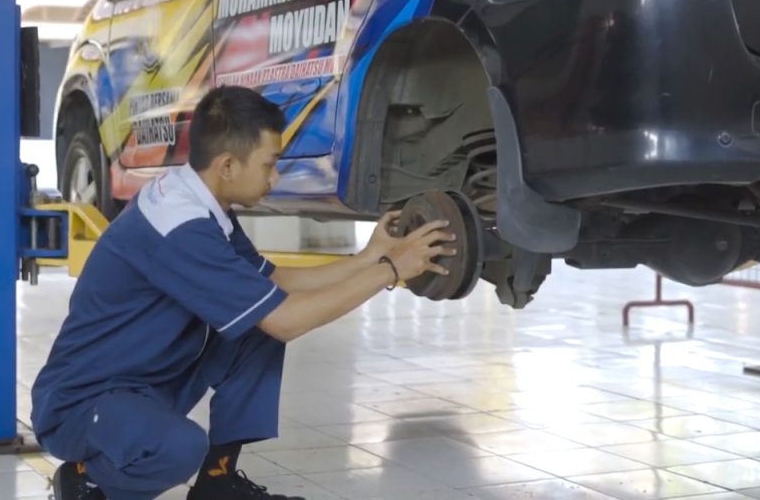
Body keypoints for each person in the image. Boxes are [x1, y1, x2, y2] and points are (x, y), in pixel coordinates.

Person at [31, 86, 456, 500]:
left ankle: (217, 481)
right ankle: (87, 480)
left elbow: (273, 281)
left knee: (256, 330)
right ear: (228, 165)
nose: (275, 176)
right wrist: (391, 270)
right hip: (83, 403)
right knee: (180, 447)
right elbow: (286, 321)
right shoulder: (181, 226)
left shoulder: (199, 199)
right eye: (269, 164)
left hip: (144, 382)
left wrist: (370, 257)